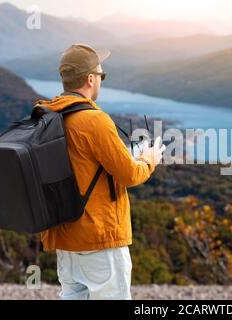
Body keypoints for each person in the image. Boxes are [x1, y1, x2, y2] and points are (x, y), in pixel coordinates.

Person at [35, 44, 166, 300]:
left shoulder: (48, 114)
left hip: (65, 238)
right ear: (91, 78)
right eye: (101, 75)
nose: (101, 81)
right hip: (99, 240)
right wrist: (148, 159)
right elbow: (130, 175)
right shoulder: (94, 120)